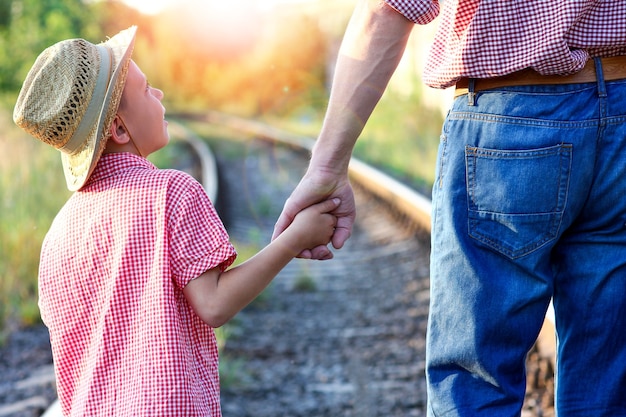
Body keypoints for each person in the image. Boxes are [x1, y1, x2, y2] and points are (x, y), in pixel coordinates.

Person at [272, 1, 626, 415]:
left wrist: (327, 166)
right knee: (608, 377)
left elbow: (388, 11)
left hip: (510, 117)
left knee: (475, 381)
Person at [13, 26, 338, 416]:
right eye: (147, 89)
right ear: (119, 128)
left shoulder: (57, 235)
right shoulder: (171, 192)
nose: (161, 95)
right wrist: (293, 239)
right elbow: (214, 304)